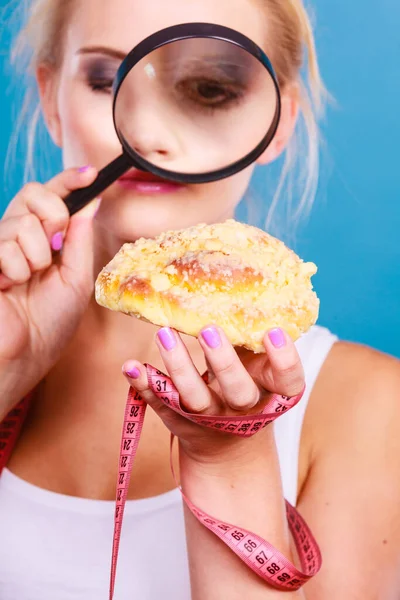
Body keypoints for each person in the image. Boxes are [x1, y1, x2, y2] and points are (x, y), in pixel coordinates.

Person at [1, 0, 400, 599]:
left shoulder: (373, 411)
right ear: (51, 99)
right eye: (107, 80)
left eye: (209, 88)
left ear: (277, 124)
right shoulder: (8, 339)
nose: (153, 133)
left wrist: (227, 463)